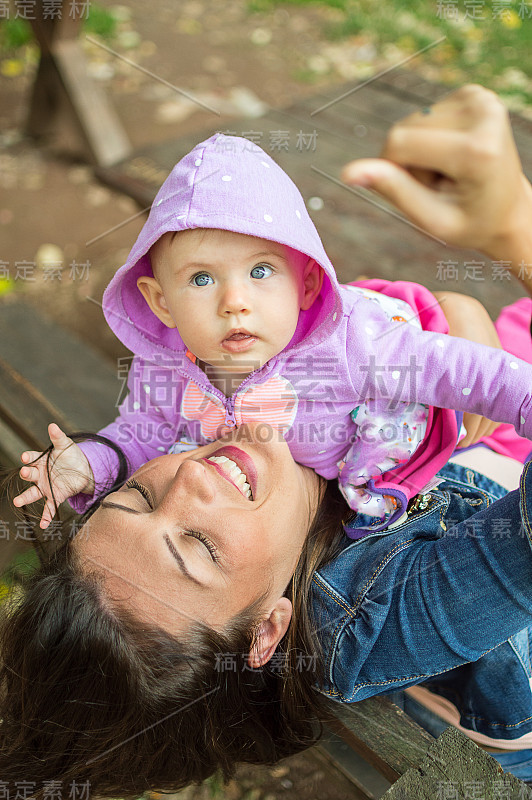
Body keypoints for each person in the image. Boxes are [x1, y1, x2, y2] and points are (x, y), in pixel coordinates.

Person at [3, 84, 532, 796]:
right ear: (268, 632)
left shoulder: (235, 419)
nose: (187, 480)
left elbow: (325, 354)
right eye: (199, 545)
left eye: (132, 497)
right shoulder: (375, 619)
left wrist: (442, 322)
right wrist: (515, 230)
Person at [12, 127, 532, 538]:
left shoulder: (352, 348)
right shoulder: (165, 368)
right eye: (200, 278)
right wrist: (87, 464)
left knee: (497, 400)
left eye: (260, 271)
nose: (234, 301)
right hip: (311, 478)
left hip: (423, 405)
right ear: (160, 302)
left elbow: (463, 371)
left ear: (305, 285)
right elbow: (140, 434)